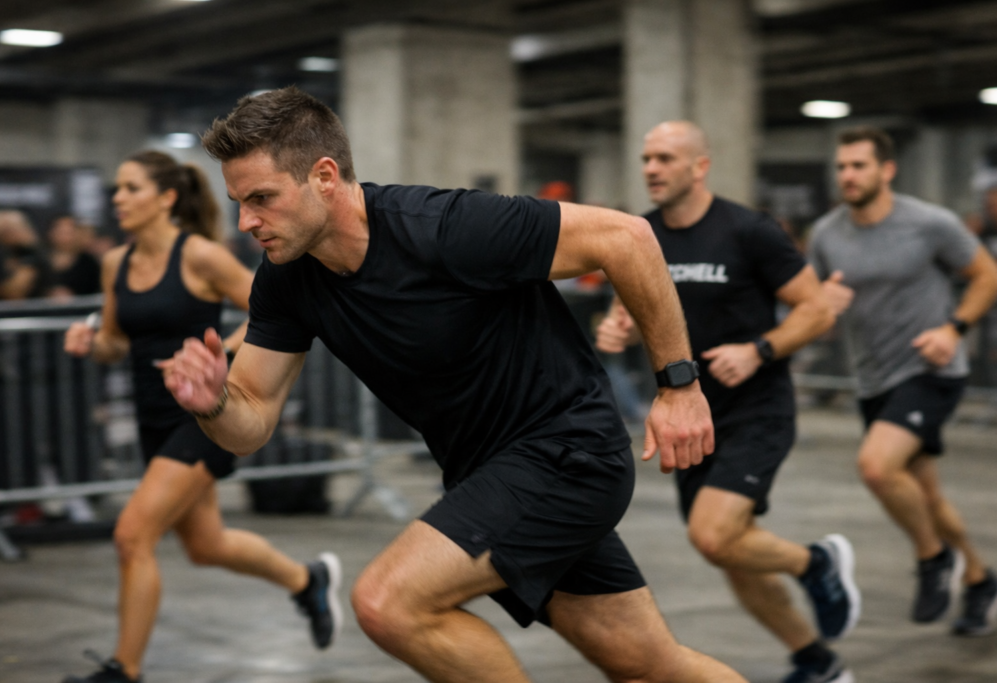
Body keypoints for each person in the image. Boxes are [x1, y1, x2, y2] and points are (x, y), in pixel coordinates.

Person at [164, 86, 746, 683]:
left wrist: (679, 386)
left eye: (262, 198)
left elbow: (626, 238)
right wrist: (213, 404)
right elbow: (251, 419)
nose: (247, 222)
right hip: (489, 475)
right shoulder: (287, 279)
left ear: (325, 175)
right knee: (648, 664)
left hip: (566, 452)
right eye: (239, 201)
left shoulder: (444, 227)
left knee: (389, 603)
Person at [62, 150, 341, 683]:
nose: (117, 199)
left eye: (130, 188)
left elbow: (267, 311)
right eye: (116, 189)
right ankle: (307, 581)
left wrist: (217, 360)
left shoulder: (199, 256)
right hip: (152, 418)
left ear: (166, 198)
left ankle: (126, 670)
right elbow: (116, 342)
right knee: (205, 545)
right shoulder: (114, 264)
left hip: (203, 416)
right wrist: (90, 342)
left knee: (132, 534)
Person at [595, 121, 858, 683]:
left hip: (755, 410)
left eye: (665, 158)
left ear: (700, 166)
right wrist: (621, 328)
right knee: (729, 553)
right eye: (646, 158)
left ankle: (818, 562)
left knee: (713, 535)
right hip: (691, 421)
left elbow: (815, 310)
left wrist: (759, 350)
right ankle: (817, 661)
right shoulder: (641, 235)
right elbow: (642, 312)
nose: (651, 169)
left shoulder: (749, 230)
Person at [809, 126, 997, 637]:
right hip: (873, 378)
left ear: (887, 170)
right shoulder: (826, 234)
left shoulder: (931, 223)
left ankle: (932, 557)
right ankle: (981, 578)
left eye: (859, 165)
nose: (848, 176)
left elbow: (989, 277)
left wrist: (954, 329)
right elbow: (814, 306)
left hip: (931, 370)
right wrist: (820, 307)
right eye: (842, 167)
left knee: (877, 468)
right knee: (926, 496)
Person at [0, 209, 54, 298]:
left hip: (35, 307)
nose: (10, 234)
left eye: (13, 229)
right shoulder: (4, 254)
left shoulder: (34, 255)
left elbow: (14, 292)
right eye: (6, 230)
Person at [47, 215, 102, 298]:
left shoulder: (89, 263)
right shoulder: (40, 262)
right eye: (61, 232)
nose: (65, 238)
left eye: (69, 232)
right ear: (51, 233)